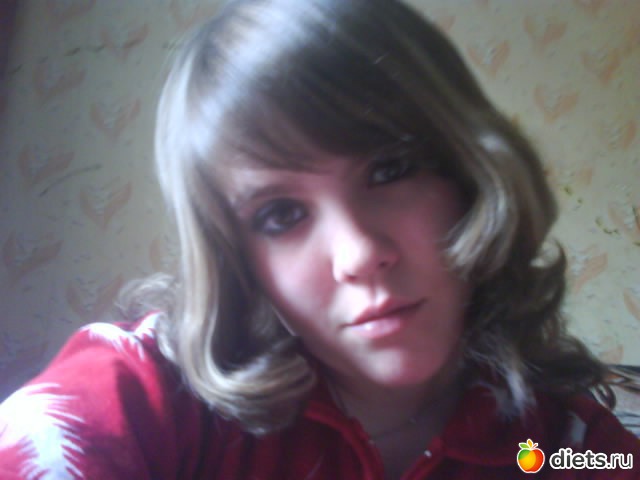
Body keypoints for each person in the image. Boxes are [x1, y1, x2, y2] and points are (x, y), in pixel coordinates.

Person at [0, 0, 638, 478]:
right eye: (281, 215)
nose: (359, 254)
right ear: (235, 256)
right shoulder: (152, 398)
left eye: (390, 169)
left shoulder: (569, 447)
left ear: (469, 173)